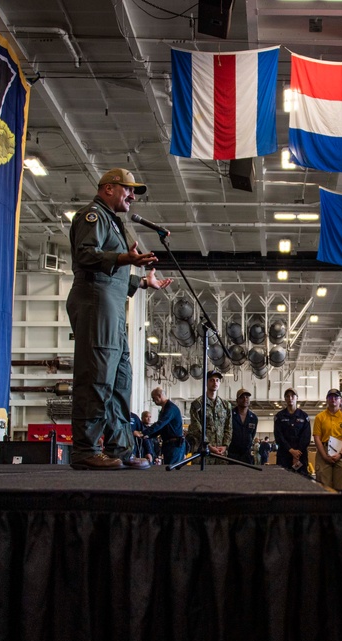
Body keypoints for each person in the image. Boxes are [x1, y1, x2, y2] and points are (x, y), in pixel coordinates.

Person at [66, 168, 172, 470]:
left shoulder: (113, 223)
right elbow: (86, 256)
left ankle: (119, 449)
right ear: (108, 188)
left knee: (120, 381)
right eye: (128, 189)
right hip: (95, 306)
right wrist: (125, 259)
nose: (132, 196)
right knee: (96, 378)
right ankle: (86, 450)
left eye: (135, 192)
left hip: (111, 309)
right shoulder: (93, 216)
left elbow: (114, 277)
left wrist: (140, 282)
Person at [187, 370, 233, 463]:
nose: (215, 383)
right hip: (203, 452)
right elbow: (196, 428)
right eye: (212, 380)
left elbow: (229, 428)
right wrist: (208, 446)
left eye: (217, 380)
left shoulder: (226, 405)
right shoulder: (198, 404)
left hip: (220, 454)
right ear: (206, 382)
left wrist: (225, 446)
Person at [312, 388, 342, 495]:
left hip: (340, 452)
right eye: (330, 397)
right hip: (323, 452)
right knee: (324, 487)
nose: (333, 399)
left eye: (336, 397)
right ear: (327, 400)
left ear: (340, 400)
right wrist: (324, 455)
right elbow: (317, 438)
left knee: (341, 487)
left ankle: (339, 511)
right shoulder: (320, 417)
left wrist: (341, 454)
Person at [136, 386, 183, 465]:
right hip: (169, 445)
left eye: (154, 398)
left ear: (159, 396)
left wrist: (143, 433)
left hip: (174, 445)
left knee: (173, 470)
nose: (153, 401)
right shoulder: (164, 410)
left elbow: (160, 424)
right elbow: (161, 428)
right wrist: (147, 436)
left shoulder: (170, 408)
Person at [274, 388, 310, 475]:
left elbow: (306, 437)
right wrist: (291, 450)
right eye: (287, 396)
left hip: (300, 456)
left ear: (297, 398)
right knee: (282, 481)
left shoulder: (304, 416)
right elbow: (278, 436)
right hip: (284, 455)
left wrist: (297, 454)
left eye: (292, 396)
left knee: (301, 480)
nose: (290, 398)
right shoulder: (279, 416)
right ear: (285, 399)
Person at [228, 388, 258, 464]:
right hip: (232, 455)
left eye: (247, 397)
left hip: (246, 455)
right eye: (242, 397)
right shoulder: (230, 415)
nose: (245, 399)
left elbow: (252, 434)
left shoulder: (254, 418)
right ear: (237, 400)